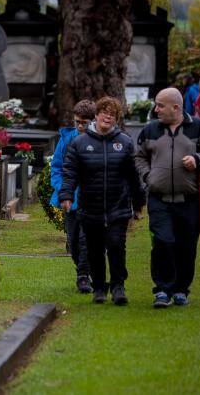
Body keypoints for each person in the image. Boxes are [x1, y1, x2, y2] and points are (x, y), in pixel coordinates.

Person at [135, 87, 200, 308]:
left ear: (175, 107)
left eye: (160, 105)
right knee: (163, 242)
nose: (156, 109)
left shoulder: (199, 127)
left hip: (189, 200)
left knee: (186, 246)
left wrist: (198, 159)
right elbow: (139, 157)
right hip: (159, 199)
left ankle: (181, 289)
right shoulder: (150, 130)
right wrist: (148, 176)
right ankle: (163, 290)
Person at [60, 96, 146, 305]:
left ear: (116, 119)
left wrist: (138, 203)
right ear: (96, 115)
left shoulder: (124, 142)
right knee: (95, 249)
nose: (108, 116)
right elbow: (70, 172)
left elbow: (133, 176)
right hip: (91, 206)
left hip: (118, 205)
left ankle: (118, 286)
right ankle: (99, 286)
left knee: (116, 245)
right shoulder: (80, 143)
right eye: (104, 112)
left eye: (113, 114)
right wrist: (66, 195)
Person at [50, 99, 96, 293]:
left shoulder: (99, 140)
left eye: (83, 122)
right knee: (74, 241)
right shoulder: (67, 139)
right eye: (77, 121)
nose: (79, 126)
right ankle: (83, 270)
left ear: (92, 121)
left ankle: (83, 277)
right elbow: (57, 167)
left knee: (87, 240)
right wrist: (62, 191)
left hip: (91, 199)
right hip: (70, 198)